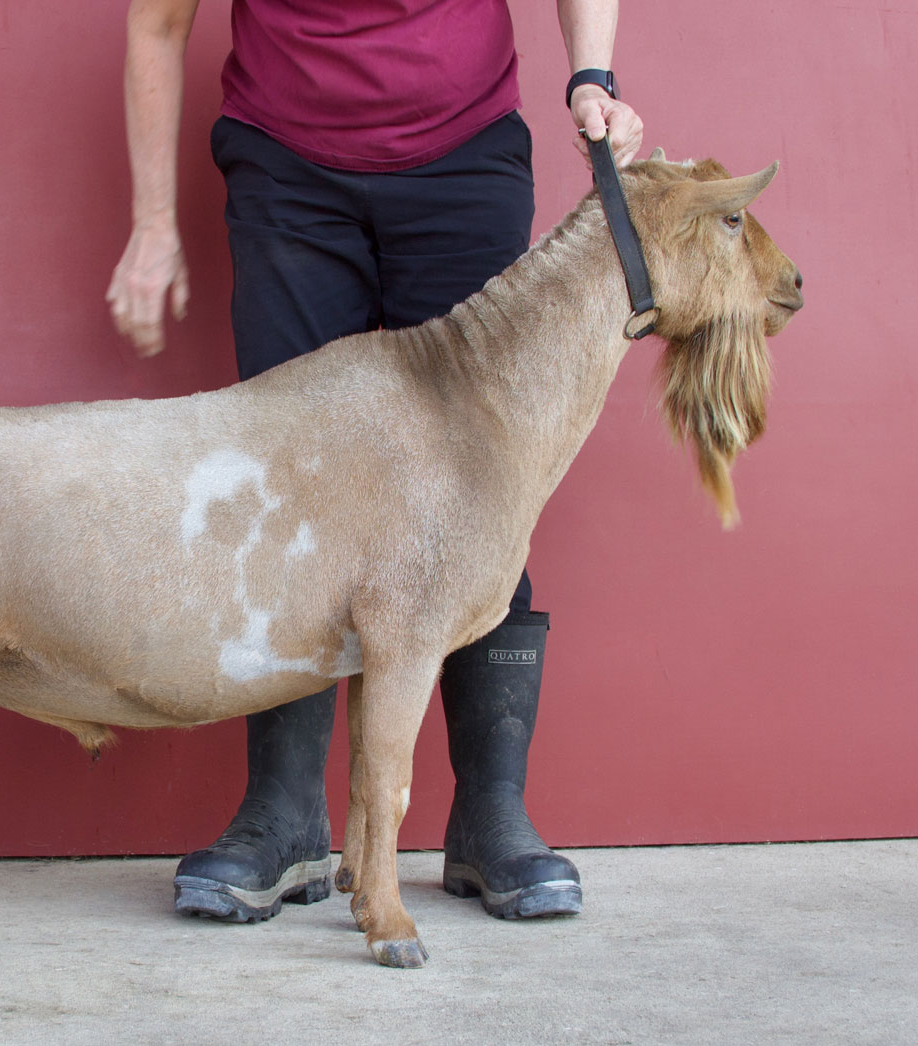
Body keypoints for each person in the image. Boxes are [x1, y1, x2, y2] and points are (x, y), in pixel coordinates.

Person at [106, 0, 643, 924]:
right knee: (288, 495)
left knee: (483, 487)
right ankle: (282, 817)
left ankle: (488, 814)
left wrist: (591, 74)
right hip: (285, 171)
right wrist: (153, 223)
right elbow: (156, 25)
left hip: (464, 156)